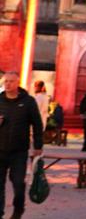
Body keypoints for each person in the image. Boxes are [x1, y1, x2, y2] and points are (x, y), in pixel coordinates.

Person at [0, 71, 43, 219]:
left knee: (18, 182)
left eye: (11, 81)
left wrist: (38, 146)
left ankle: (18, 208)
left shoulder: (28, 102)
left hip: (19, 151)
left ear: (17, 83)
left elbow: (37, 124)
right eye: (5, 81)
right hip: (0, 149)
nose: (7, 84)